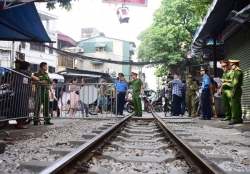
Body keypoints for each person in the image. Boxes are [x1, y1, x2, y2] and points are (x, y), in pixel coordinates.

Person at [228, 59, 243, 125]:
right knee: (237, 105)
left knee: (234, 105)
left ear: (235, 65)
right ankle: (239, 118)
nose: (231, 67)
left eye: (232, 65)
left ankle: (235, 119)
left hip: (236, 89)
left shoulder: (238, 72)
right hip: (237, 89)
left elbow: (235, 82)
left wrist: (233, 91)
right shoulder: (237, 71)